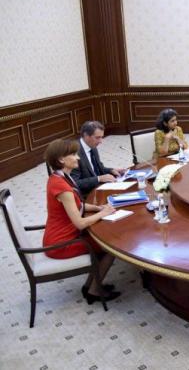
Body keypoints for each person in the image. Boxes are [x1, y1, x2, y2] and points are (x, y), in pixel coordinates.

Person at [43, 139, 120, 303]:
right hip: (60, 243)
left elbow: (78, 204)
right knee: (109, 247)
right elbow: (80, 223)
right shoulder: (62, 186)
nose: (78, 157)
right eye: (73, 154)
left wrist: (98, 208)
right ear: (61, 159)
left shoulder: (60, 177)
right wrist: (103, 213)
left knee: (100, 241)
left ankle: (89, 286)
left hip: (65, 234)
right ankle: (94, 292)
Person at [70, 121, 126, 197]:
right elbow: (74, 183)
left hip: (100, 188)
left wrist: (111, 170)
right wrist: (98, 179)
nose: (101, 141)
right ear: (86, 135)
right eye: (97, 137)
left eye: (101, 137)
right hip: (87, 195)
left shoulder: (92, 146)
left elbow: (98, 168)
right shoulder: (73, 154)